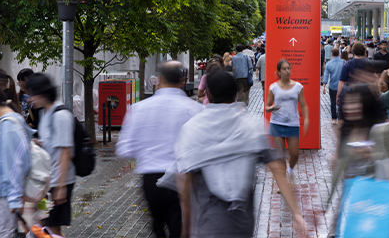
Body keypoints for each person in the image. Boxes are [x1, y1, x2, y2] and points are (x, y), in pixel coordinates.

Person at [176, 70, 308, 237]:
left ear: (208, 94)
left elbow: (184, 186)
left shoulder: (192, 129)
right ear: (236, 94)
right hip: (241, 226)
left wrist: (185, 228)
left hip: (206, 226)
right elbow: (279, 172)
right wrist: (296, 213)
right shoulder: (250, 127)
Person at [117, 61, 201, 238]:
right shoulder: (194, 109)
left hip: (151, 179)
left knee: (157, 227)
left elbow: (124, 149)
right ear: (183, 81)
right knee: (179, 227)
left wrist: (147, 150)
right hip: (182, 179)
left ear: (159, 79)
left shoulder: (138, 109)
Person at [26, 73, 76, 235]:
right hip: (47, 184)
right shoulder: (44, 113)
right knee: (44, 224)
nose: (29, 99)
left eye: (33, 94)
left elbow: (65, 152)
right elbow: (52, 146)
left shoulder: (61, 116)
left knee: (53, 227)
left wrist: (60, 188)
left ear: (44, 93)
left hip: (58, 183)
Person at [0, 82, 32, 237]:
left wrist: (14, 199)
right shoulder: (0, 123)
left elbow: (15, 165)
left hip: (2, 197)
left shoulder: (8, 126)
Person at [266, 59, 309, 189]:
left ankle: (290, 170)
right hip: (277, 124)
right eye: (284, 69)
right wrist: (272, 108)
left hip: (293, 124)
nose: (287, 71)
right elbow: (267, 106)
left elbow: (303, 105)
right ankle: (283, 183)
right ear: (279, 72)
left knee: (294, 155)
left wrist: (306, 119)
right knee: (280, 155)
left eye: (289, 68)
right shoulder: (273, 87)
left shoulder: (298, 87)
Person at [336, 42, 374, 107]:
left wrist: (338, 95)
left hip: (350, 94)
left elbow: (342, 82)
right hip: (365, 94)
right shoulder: (369, 64)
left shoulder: (347, 64)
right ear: (364, 52)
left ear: (353, 51)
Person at [322, 48, 345, 124]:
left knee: (333, 102)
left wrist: (324, 86)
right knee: (342, 102)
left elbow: (326, 76)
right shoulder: (343, 62)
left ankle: (334, 118)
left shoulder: (328, 64)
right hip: (342, 86)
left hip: (333, 86)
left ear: (331, 54)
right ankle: (341, 117)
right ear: (339, 54)